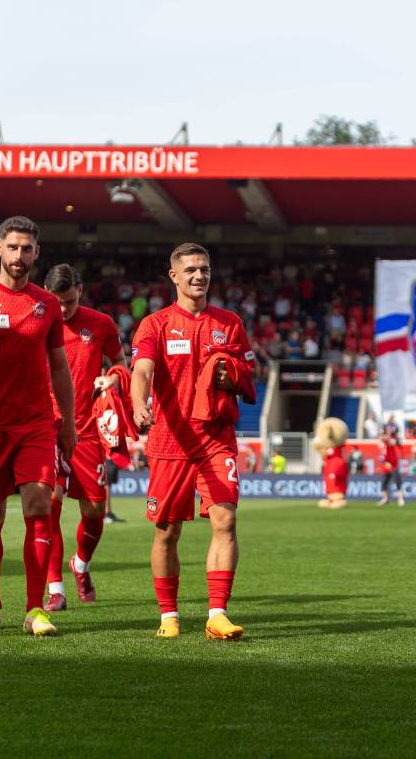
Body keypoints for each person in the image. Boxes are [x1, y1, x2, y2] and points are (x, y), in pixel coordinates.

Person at [131, 242, 255, 641]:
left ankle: (217, 613)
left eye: (204, 269)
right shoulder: (155, 324)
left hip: (217, 438)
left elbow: (248, 372)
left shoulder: (230, 322)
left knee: (226, 520)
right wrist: (138, 402)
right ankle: (169, 614)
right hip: (170, 441)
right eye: (190, 270)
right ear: (174, 276)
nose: (199, 276)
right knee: (167, 531)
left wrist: (231, 376)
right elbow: (143, 369)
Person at [0, 216, 75, 637]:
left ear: (36, 252)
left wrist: (67, 423)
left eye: (26, 248)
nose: (19, 255)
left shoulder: (46, 304)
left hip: (34, 423)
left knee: (38, 505)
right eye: (12, 247)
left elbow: (59, 366)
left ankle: (35, 608)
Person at [41, 264, 126, 612]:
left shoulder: (101, 323)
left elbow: (121, 362)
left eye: (69, 302)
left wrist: (114, 378)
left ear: (80, 289)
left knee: (93, 512)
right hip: (45, 428)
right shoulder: (37, 320)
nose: (63, 310)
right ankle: (55, 589)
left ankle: (80, 564)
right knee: (49, 506)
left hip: (87, 432)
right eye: (57, 302)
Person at [377, 431, 404, 507]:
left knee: (397, 482)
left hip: (394, 465)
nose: (381, 437)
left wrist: (391, 439)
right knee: (384, 483)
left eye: (382, 435)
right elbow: (381, 457)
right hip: (386, 467)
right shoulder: (380, 445)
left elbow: (396, 442)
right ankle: (385, 499)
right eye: (380, 436)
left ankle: (400, 499)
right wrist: (384, 463)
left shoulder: (388, 442)